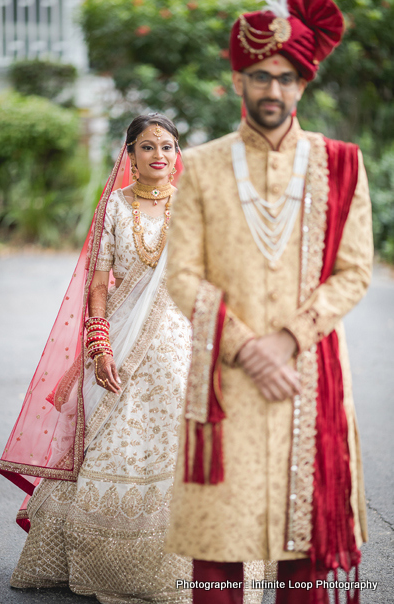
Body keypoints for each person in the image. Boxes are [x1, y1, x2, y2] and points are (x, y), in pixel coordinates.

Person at [164, 1, 373, 603]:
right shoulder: (200, 167)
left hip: (309, 380)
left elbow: (354, 272)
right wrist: (247, 347)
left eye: (285, 76)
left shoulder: (341, 165)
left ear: (303, 82)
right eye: (260, 75)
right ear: (237, 79)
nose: (272, 88)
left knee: (303, 555)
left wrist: (288, 339)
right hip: (227, 386)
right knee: (220, 551)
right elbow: (183, 275)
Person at [0, 114, 193, 603]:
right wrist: (99, 343)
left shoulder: (194, 207)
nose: (159, 155)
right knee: (110, 440)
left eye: (167, 146)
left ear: (176, 154)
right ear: (129, 155)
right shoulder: (114, 208)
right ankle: (101, 559)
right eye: (147, 147)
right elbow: (98, 283)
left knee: (176, 444)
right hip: (119, 342)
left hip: (181, 341)